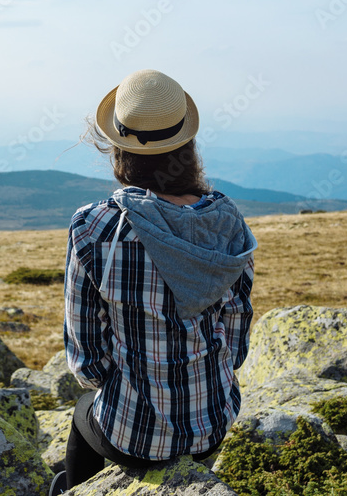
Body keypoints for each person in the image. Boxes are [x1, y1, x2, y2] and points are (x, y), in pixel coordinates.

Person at [50, 69, 257, 495]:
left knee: (83, 411)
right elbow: (235, 343)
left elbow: (87, 361)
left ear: (119, 148)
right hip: (212, 425)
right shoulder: (227, 221)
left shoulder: (95, 226)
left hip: (133, 438)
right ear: (187, 143)